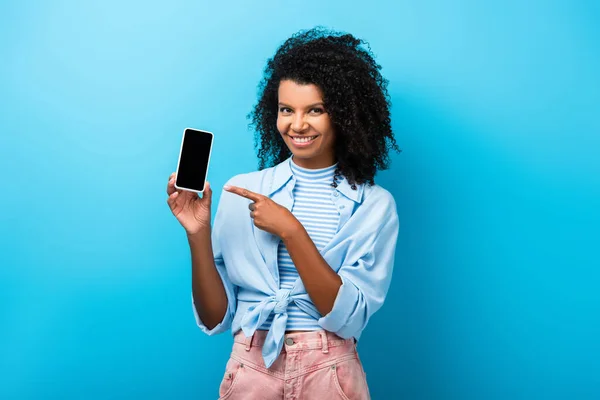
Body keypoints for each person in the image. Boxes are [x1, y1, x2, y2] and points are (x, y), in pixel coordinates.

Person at [166, 26, 400, 400]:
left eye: (316, 110)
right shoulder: (241, 192)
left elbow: (349, 318)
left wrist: (292, 231)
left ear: (344, 114)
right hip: (251, 367)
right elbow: (215, 319)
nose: (297, 125)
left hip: (329, 371)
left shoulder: (374, 206)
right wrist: (197, 234)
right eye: (286, 109)